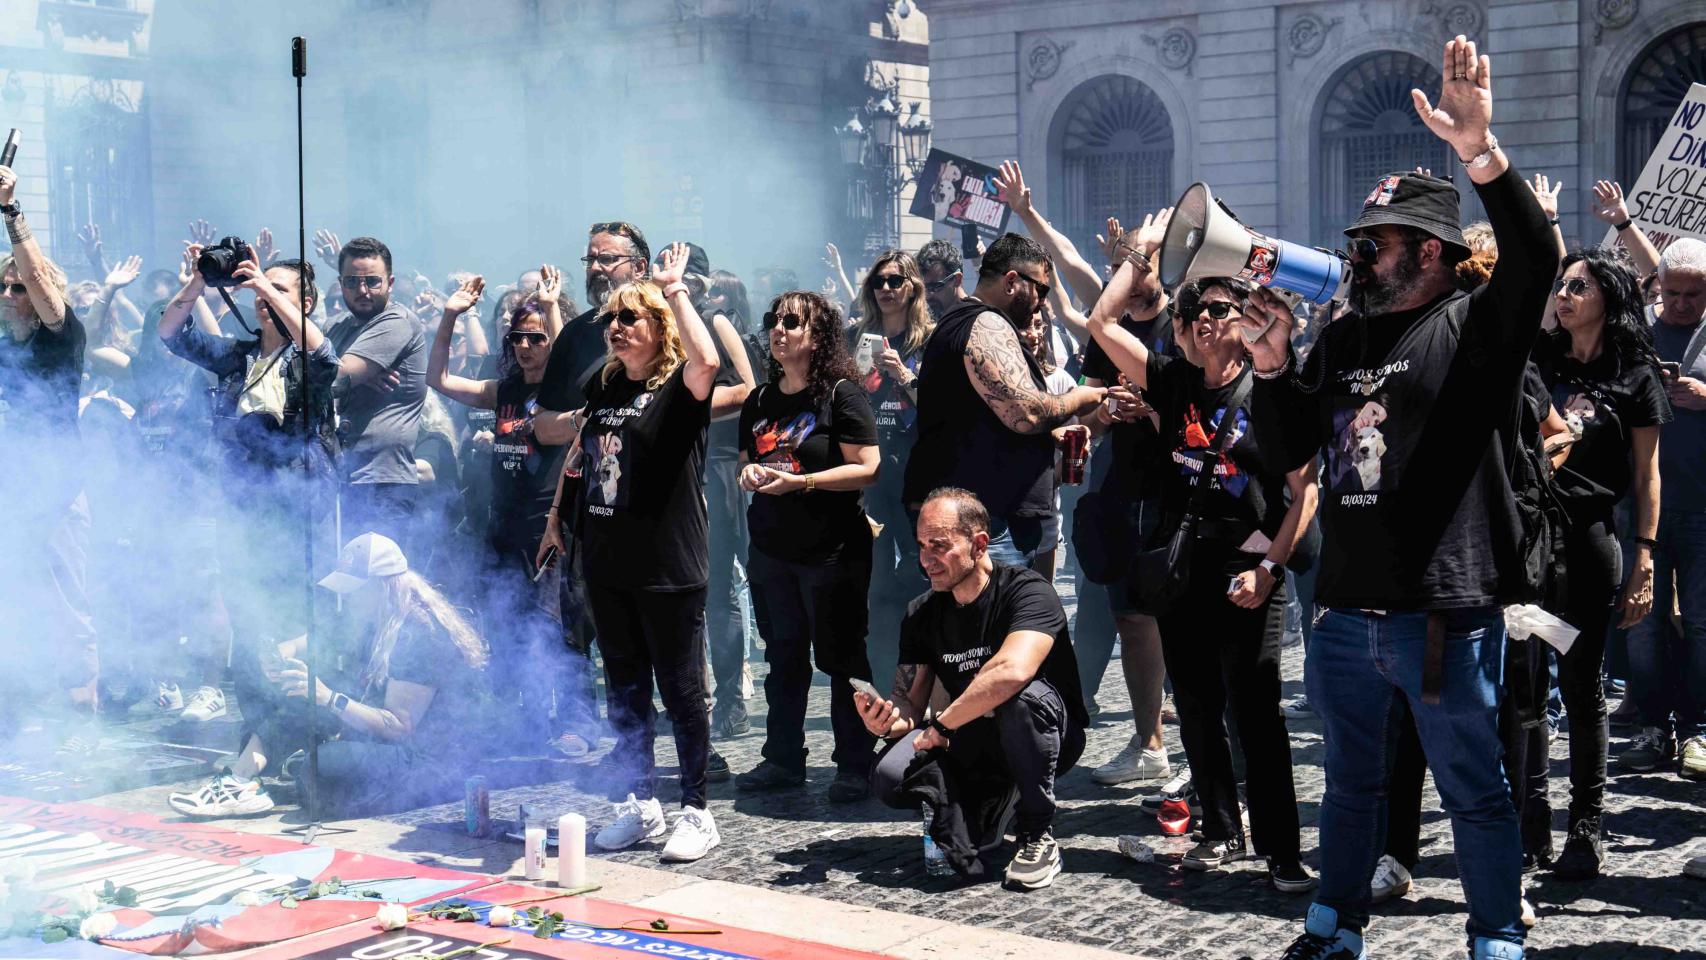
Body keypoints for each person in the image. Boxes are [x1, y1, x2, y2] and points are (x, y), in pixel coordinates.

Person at [1241, 37, 1556, 959]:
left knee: (1473, 785)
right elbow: (1288, 448)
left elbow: (1534, 261)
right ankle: (1337, 923)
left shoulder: (1472, 326)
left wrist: (1481, 154)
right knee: (1349, 784)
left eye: (1369, 246)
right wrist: (1269, 367)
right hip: (1345, 607)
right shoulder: (1343, 337)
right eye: (1352, 245)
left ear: (1426, 251)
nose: (1353, 258)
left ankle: (1496, 932)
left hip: (1442, 611)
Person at [1087, 269, 1318, 891]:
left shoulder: (1271, 390)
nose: (1207, 318)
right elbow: (1100, 324)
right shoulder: (1173, 380)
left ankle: (1282, 849)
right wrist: (1137, 261)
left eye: (1222, 308)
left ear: (1244, 324)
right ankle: (1218, 829)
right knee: (1195, 707)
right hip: (1185, 571)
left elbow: (1306, 493)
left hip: (1249, 573)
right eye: (1196, 311)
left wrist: (1270, 570)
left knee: (1257, 715)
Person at [536, 243, 723, 862]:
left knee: (680, 691)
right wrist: (558, 516)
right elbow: (583, 453)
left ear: (658, 330)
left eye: (629, 319)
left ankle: (695, 810)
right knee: (624, 689)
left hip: (668, 563)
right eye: (612, 319)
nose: (615, 328)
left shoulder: (678, 389)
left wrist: (674, 289)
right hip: (608, 560)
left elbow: (709, 360)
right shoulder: (604, 383)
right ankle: (639, 804)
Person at [167, 532, 490, 818]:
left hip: (428, 760)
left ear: (382, 585)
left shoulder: (419, 634)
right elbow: (321, 638)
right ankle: (239, 782)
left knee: (318, 772)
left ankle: (302, 767)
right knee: (295, 707)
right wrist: (284, 653)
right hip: (383, 738)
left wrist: (328, 698)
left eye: (354, 589)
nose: (346, 597)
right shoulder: (372, 615)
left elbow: (399, 727)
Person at [860, 488, 1086, 890]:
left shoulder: (1027, 590)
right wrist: (886, 720)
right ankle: (991, 800)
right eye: (921, 546)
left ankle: (1038, 832)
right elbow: (910, 703)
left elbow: (1013, 670)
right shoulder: (923, 612)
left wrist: (943, 726)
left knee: (1021, 700)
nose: (926, 559)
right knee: (889, 774)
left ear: (979, 544)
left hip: (1047, 733)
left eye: (940, 546)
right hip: (970, 735)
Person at [158, 249, 340, 744]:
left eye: (279, 290)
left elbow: (326, 356)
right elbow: (170, 333)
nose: (263, 296)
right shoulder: (238, 356)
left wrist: (262, 285)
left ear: (305, 301)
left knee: (295, 628)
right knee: (248, 624)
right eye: (259, 288)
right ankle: (256, 732)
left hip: (297, 513)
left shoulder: (308, 358)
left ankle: (302, 737)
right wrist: (198, 282)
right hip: (241, 513)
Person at [426, 276, 596, 756]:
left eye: (536, 338)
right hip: (504, 527)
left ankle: (578, 723)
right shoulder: (504, 390)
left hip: (552, 527)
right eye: (517, 338)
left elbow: (577, 362)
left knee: (558, 626)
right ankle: (525, 721)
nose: (524, 346)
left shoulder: (569, 394)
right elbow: (437, 379)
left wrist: (550, 308)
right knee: (509, 627)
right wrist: (450, 315)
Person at [732, 289, 881, 800]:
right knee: (784, 656)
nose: (778, 328)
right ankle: (782, 759)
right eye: (773, 319)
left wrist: (805, 483)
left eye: (792, 322)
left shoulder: (841, 393)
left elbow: (868, 468)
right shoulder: (759, 399)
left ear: (817, 336)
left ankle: (855, 764)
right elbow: (745, 461)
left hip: (832, 552)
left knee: (842, 661)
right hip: (773, 551)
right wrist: (749, 473)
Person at [902, 234, 1106, 567]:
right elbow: (1026, 413)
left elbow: (983, 415)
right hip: (985, 525)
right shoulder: (986, 322)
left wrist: (1052, 435)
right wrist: (1079, 398)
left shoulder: (972, 322)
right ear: (1012, 281)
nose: (1041, 301)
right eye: (1040, 289)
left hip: (983, 519)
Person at [0, 161, 94, 726]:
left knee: (67, 603)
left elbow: (40, 284)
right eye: (5, 286)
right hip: (12, 489)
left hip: (57, 492)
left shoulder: (63, 336)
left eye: (22, 286)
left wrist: (13, 214)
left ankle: (82, 720)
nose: (14, 293)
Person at [1625, 236, 1706, 781]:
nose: (1680, 304)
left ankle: (1699, 730)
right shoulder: (1637, 337)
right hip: (1644, 509)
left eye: (1693, 296)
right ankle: (1653, 726)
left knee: (1702, 624)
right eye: (1672, 293)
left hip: (1703, 507)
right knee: (1644, 626)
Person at [851, 250, 933, 682]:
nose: (884, 289)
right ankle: (883, 676)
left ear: (912, 287)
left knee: (924, 576)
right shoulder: (858, 338)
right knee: (876, 582)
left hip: (916, 478)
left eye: (894, 280)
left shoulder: (930, 341)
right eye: (877, 282)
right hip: (871, 480)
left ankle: (922, 675)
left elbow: (938, 411)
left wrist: (903, 374)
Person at [325, 236, 428, 551]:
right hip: (342, 476)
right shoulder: (339, 327)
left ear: (390, 282)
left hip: (383, 483)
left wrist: (347, 374)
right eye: (353, 281)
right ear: (341, 283)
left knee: (381, 590)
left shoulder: (396, 321)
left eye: (372, 281)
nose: (363, 290)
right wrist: (350, 375)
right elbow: (310, 373)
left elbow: (333, 378)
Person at [917, 238, 967, 319]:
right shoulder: (927, 320)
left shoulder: (975, 317)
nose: (928, 296)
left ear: (957, 279)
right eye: (924, 288)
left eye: (935, 287)